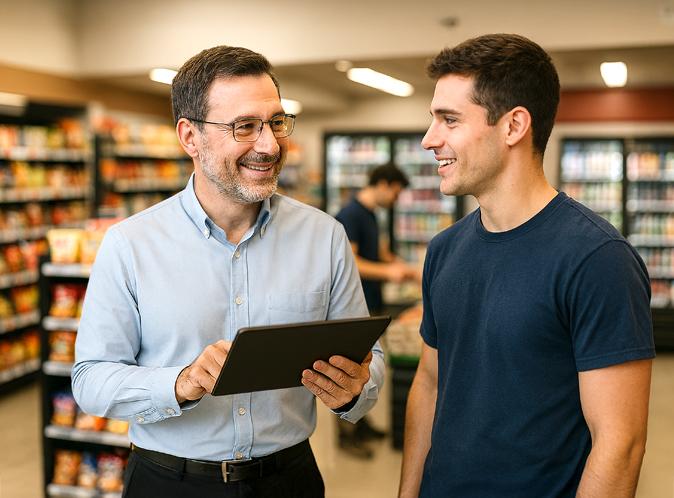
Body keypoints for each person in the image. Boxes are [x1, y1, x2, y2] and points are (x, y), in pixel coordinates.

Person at [71, 45, 385, 498]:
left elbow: (369, 362)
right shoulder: (130, 244)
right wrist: (179, 383)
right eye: (245, 127)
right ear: (190, 138)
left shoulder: (325, 237)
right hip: (169, 483)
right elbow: (92, 380)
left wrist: (356, 390)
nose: (270, 145)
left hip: (289, 480)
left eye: (276, 122)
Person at [398, 33, 655, 498]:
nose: (429, 139)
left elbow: (620, 442)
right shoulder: (443, 250)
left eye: (449, 120)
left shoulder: (597, 259)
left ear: (514, 125)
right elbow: (430, 384)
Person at [334, 162, 420, 457]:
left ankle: (361, 421)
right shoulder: (350, 214)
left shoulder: (370, 214)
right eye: (395, 193)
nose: (396, 200)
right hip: (353, 306)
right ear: (383, 184)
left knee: (365, 366)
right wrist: (388, 274)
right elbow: (352, 261)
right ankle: (346, 436)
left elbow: (379, 252)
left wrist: (401, 266)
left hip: (371, 302)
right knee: (347, 368)